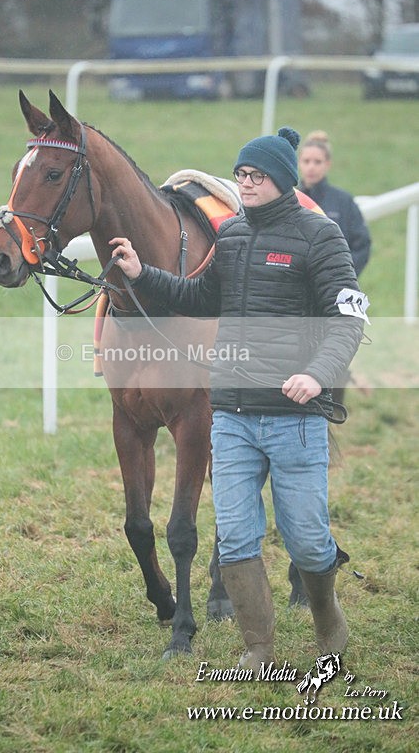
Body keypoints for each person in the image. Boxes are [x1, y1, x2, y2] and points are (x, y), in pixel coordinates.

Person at [110, 127, 368, 672]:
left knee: (307, 540)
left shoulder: (321, 236)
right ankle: (258, 647)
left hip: (295, 417)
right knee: (236, 537)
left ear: (283, 179)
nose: (245, 183)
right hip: (231, 415)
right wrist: (142, 274)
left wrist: (317, 374)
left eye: (257, 176)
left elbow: (348, 319)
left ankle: (328, 618)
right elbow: (197, 296)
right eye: (241, 174)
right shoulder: (230, 236)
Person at [298, 130, 371, 277]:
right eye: (306, 161)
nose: (311, 167)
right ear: (299, 162)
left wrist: (342, 276)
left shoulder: (344, 201)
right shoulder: (291, 199)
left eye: (317, 162)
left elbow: (362, 245)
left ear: (327, 164)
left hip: (334, 283)